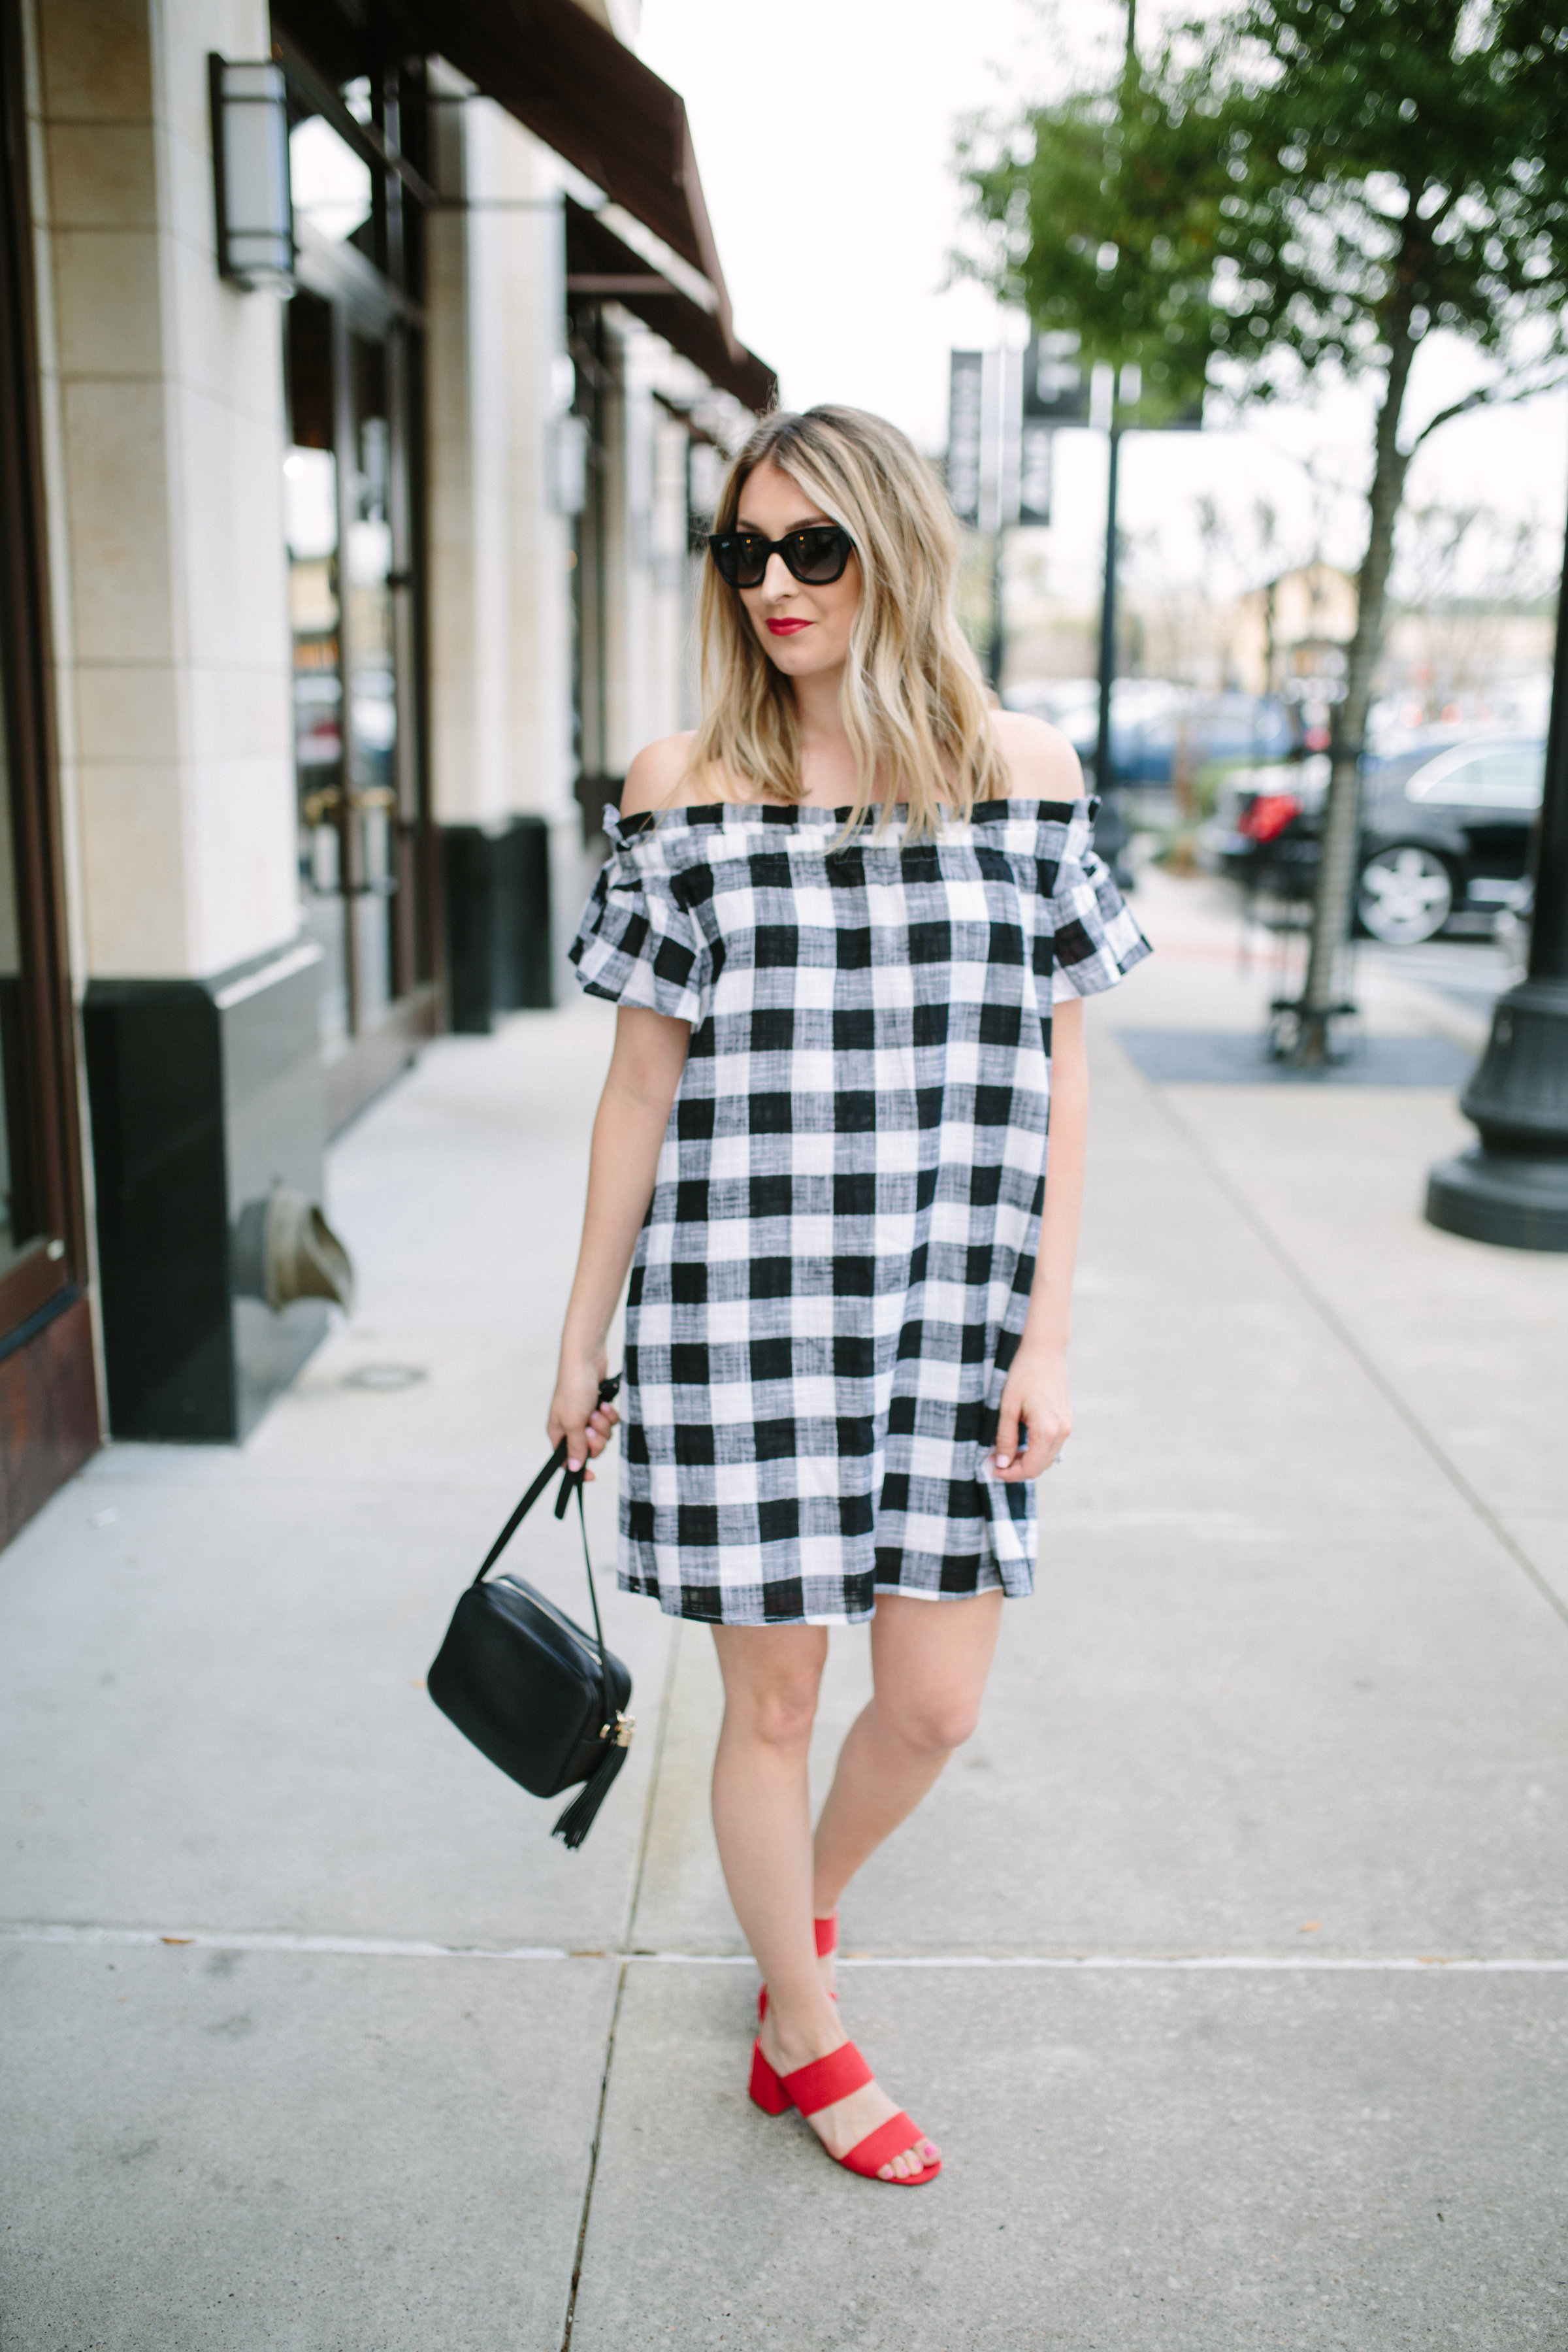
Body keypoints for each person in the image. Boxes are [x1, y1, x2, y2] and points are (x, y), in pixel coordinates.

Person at [547, 405, 1149, 2187]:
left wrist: (1047, 1331)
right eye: (745, 552)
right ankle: (803, 2031)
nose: (778, 586)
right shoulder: (682, 789)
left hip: (952, 1310)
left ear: (897, 551)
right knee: (779, 1709)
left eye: (816, 548)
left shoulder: (1021, 770)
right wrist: (579, 1337)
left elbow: (1065, 1078)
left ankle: (795, 1921)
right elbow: (640, 1088)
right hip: (735, 1315)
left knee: (937, 1705)